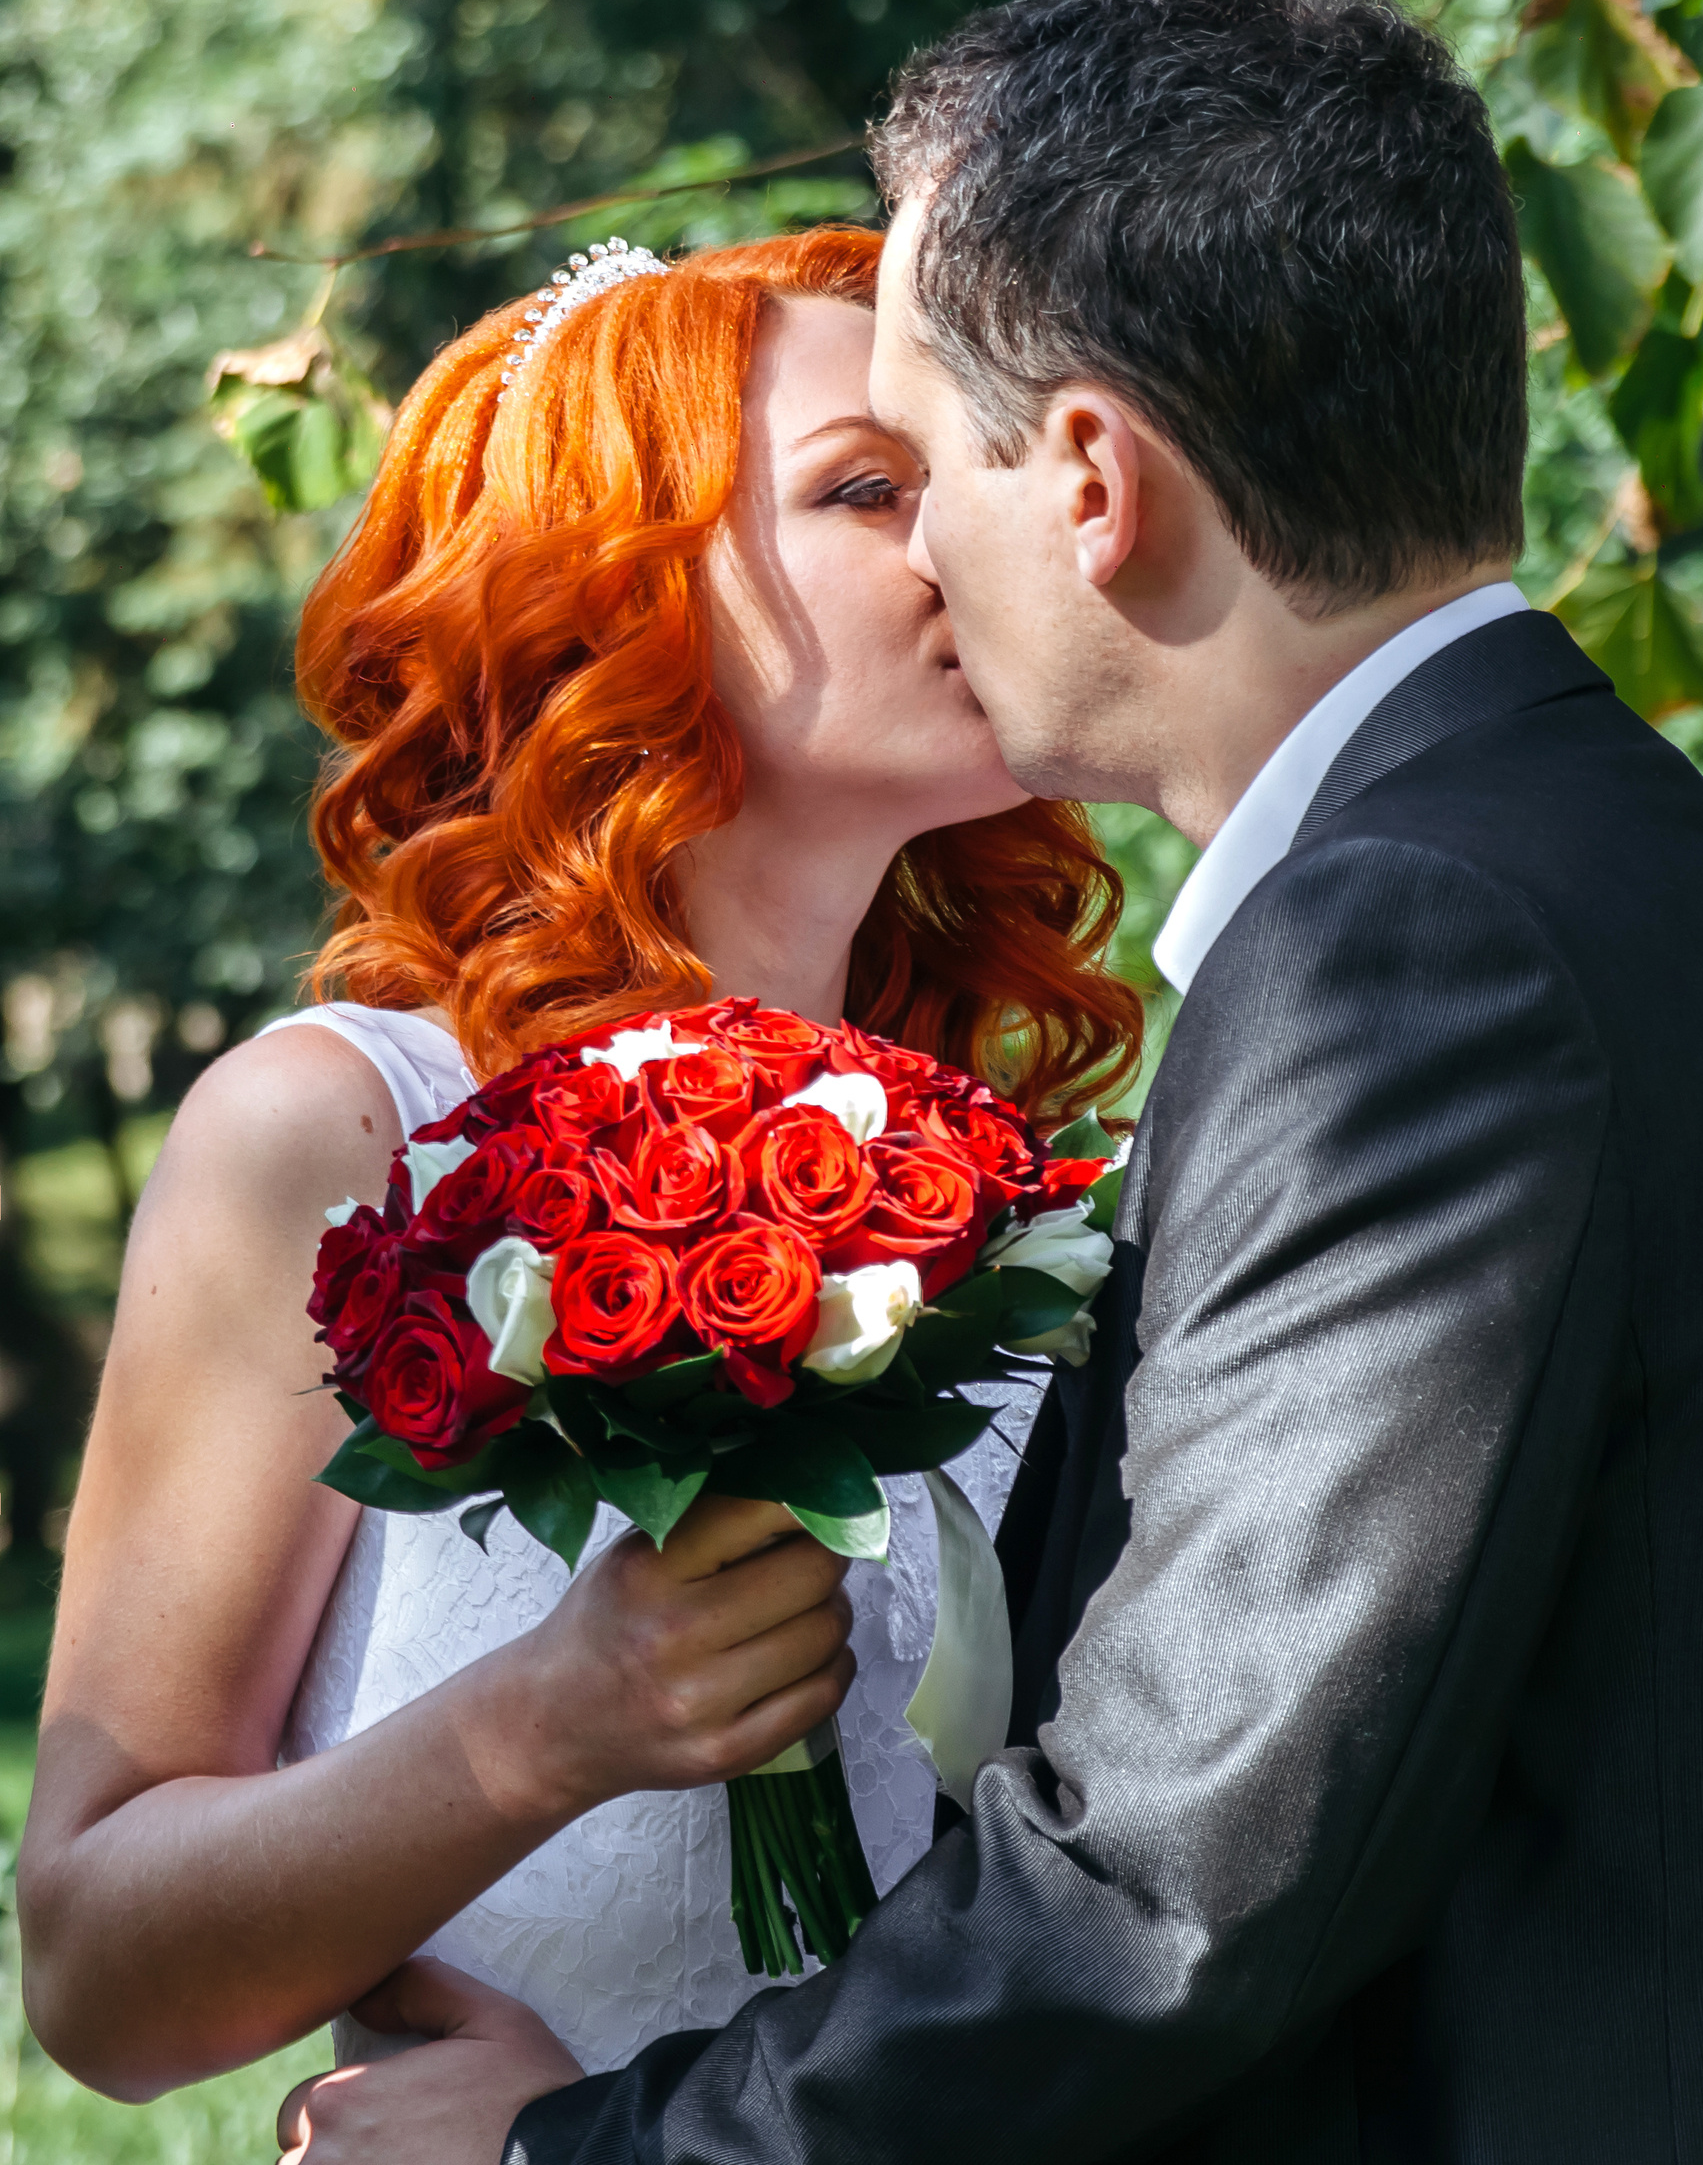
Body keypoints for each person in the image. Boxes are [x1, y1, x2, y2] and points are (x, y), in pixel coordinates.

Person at [296, 0, 1703, 2162]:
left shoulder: (1412, 956)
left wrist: (569, 2152)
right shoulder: (1600, 845)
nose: (928, 554)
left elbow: (1166, 1887)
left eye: (924, 462)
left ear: (1089, 481)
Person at [17, 229, 1144, 2101]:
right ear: (611, 595)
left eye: (961, 473)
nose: (966, 535)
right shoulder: (334, 1136)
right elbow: (96, 1981)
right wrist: (545, 1726)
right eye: (867, 489)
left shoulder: (1011, 1189)